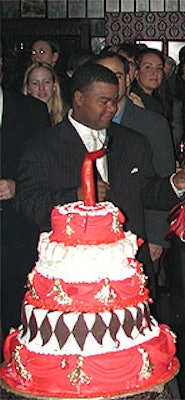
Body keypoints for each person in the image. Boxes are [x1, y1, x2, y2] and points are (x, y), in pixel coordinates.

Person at [15, 63, 185, 299]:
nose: (112, 108)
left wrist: (176, 184)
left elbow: (147, 191)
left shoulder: (133, 142)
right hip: (73, 281)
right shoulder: (43, 146)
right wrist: (75, 197)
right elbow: (27, 204)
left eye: (115, 100)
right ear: (78, 98)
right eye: (103, 101)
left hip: (128, 272)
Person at [93, 51, 176, 286]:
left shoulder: (152, 124)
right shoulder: (82, 122)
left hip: (138, 233)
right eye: (104, 76)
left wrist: (157, 238)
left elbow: (162, 181)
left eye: (117, 76)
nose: (111, 82)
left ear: (129, 79)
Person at [0, 47, 51, 339]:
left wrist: (18, 187)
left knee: (17, 324)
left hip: (18, 234)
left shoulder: (31, 111)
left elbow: (47, 174)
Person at [30, 37, 71, 106]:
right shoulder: (23, 79)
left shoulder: (64, 83)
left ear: (54, 56)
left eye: (42, 52)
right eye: (34, 53)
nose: (36, 57)